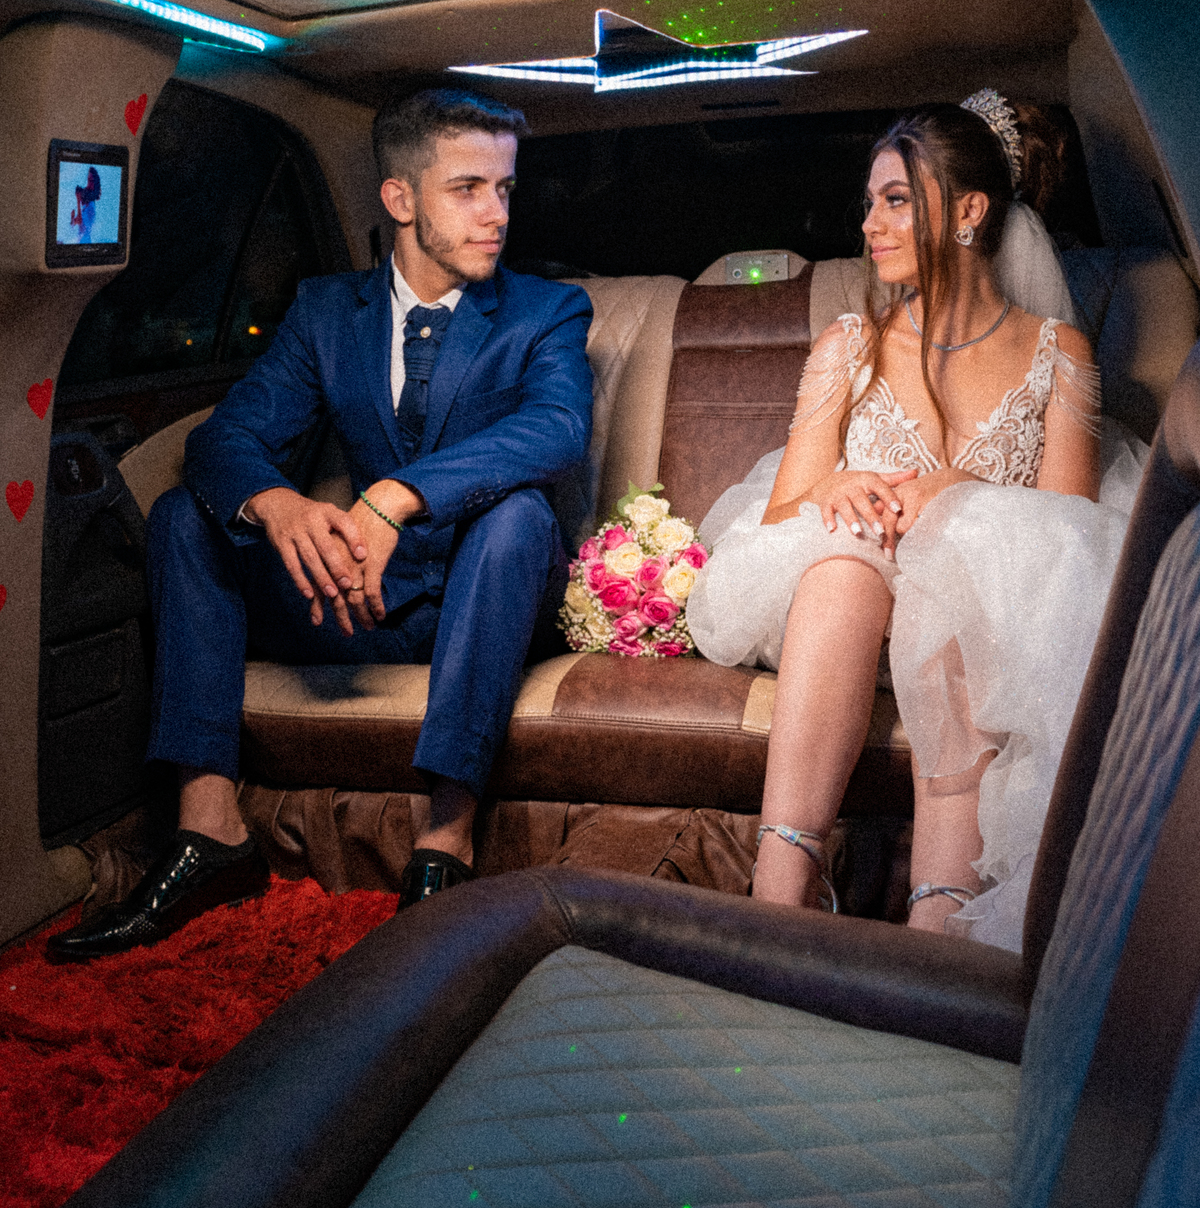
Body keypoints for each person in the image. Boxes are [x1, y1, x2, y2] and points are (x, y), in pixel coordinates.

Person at [49, 88, 593, 959]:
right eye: (468, 189)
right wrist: (282, 506)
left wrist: (396, 495)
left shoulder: (545, 311)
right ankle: (211, 830)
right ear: (400, 199)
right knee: (187, 516)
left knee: (520, 517)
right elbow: (225, 439)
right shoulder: (325, 312)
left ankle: (445, 841)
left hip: (481, 601)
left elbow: (557, 429)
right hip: (355, 597)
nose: (497, 213)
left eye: (505, 189)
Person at [687, 94, 1143, 950]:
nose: (870, 224)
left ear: (969, 211)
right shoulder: (849, 346)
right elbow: (781, 512)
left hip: (986, 627)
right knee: (840, 566)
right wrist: (839, 483)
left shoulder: (1057, 354)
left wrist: (965, 494)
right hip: (843, 617)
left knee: (958, 570)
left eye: (895, 200)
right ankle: (781, 889)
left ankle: (939, 918)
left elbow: (1070, 533)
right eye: (870, 203)